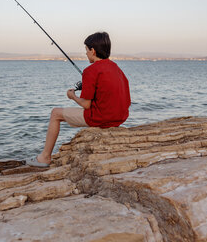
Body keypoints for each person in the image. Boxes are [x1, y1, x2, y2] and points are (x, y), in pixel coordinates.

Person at [26, 31, 131, 167]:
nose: (86, 53)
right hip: (120, 117)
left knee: (55, 113)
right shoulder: (116, 68)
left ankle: (45, 157)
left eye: (86, 50)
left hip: (102, 118)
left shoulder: (90, 71)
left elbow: (86, 105)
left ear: (93, 51)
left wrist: (73, 97)